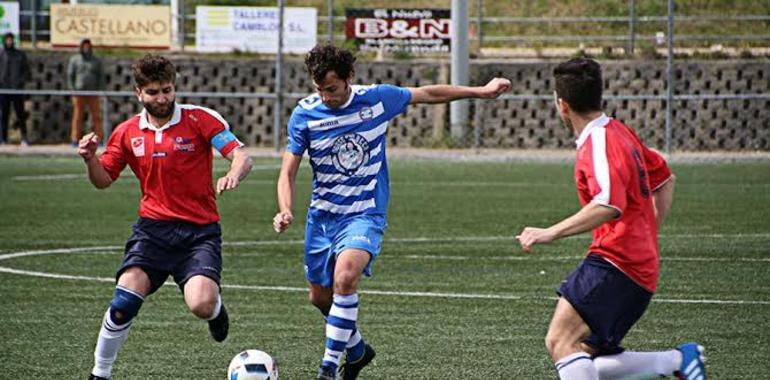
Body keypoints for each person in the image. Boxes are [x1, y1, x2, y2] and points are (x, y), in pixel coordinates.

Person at [273, 43, 511, 380]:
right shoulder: (305, 115)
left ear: (349, 78)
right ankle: (357, 351)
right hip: (322, 219)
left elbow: (427, 92)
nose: (325, 97)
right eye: (319, 89)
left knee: (345, 278)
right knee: (320, 298)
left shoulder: (377, 99)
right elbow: (288, 172)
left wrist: (480, 91)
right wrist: (285, 209)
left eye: (332, 89)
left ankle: (327, 369)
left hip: (364, 214)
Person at [515, 58, 707, 380]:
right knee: (586, 355)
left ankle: (676, 360)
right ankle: (677, 361)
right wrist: (646, 235)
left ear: (561, 104)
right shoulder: (618, 131)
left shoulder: (599, 142)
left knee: (561, 341)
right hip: (635, 264)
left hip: (617, 261)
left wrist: (549, 232)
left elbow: (608, 204)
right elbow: (664, 179)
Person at [79, 54, 253, 380]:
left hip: (199, 232)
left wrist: (234, 173)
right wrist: (90, 159)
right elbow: (103, 180)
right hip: (152, 232)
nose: (162, 99)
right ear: (139, 94)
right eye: (154, 92)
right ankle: (99, 374)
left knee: (201, 304)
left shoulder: (200, 119)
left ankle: (215, 311)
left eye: (167, 90)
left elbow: (241, 155)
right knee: (122, 302)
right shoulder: (127, 132)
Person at [68, 38, 105, 147]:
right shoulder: (75, 60)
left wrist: (100, 90)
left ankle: (99, 138)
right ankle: (75, 138)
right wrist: (72, 90)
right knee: (78, 116)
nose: (86, 48)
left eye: (88, 46)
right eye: (84, 46)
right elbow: (70, 76)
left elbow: (101, 77)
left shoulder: (96, 61)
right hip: (79, 93)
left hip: (93, 93)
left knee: (96, 116)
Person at [0, 32, 30, 146]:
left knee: (20, 115)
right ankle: (3, 138)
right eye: (7, 39)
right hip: (3, 90)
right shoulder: (1, 54)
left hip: (17, 90)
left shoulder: (20, 54)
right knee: (4, 115)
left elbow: (26, 71)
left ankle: (25, 138)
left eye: (11, 39)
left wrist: (20, 82)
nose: (9, 41)